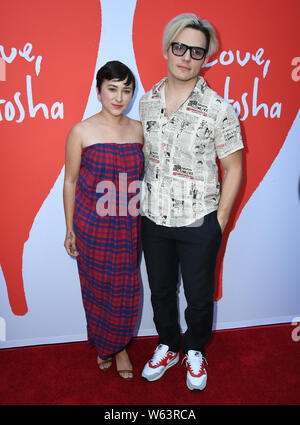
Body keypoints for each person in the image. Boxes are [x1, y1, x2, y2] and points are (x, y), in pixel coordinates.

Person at [139, 13, 243, 390]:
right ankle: (168, 344)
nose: (186, 57)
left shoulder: (218, 108)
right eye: (179, 47)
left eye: (196, 52)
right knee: (161, 289)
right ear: (168, 48)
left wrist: (220, 221)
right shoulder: (147, 101)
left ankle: (195, 348)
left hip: (200, 220)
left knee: (199, 295)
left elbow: (233, 168)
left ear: (205, 58)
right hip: (153, 218)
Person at [63, 61, 144, 381]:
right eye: (112, 88)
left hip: (129, 227)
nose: (119, 96)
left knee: (126, 289)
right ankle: (104, 344)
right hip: (91, 226)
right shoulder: (81, 131)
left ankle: (120, 345)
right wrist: (69, 228)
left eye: (126, 90)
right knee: (97, 288)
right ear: (99, 91)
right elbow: (70, 181)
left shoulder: (139, 129)